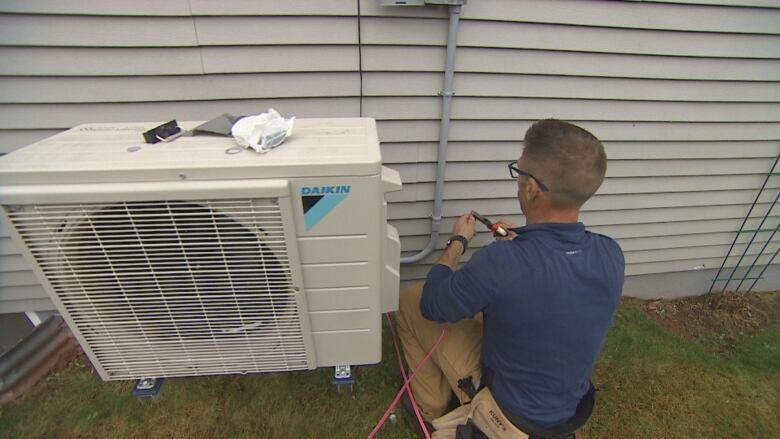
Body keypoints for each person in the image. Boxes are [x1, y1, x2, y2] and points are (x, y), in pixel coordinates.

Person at [396, 119, 625, 438]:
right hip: (563, 413)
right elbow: (554, 282)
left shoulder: (502, 263)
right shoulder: (610, 254)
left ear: (531, 188)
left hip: (505, 413)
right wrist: (526, 243)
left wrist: (457, 243)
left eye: (518, 172)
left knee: (411, 300)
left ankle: (430, 408)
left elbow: (435, 304)